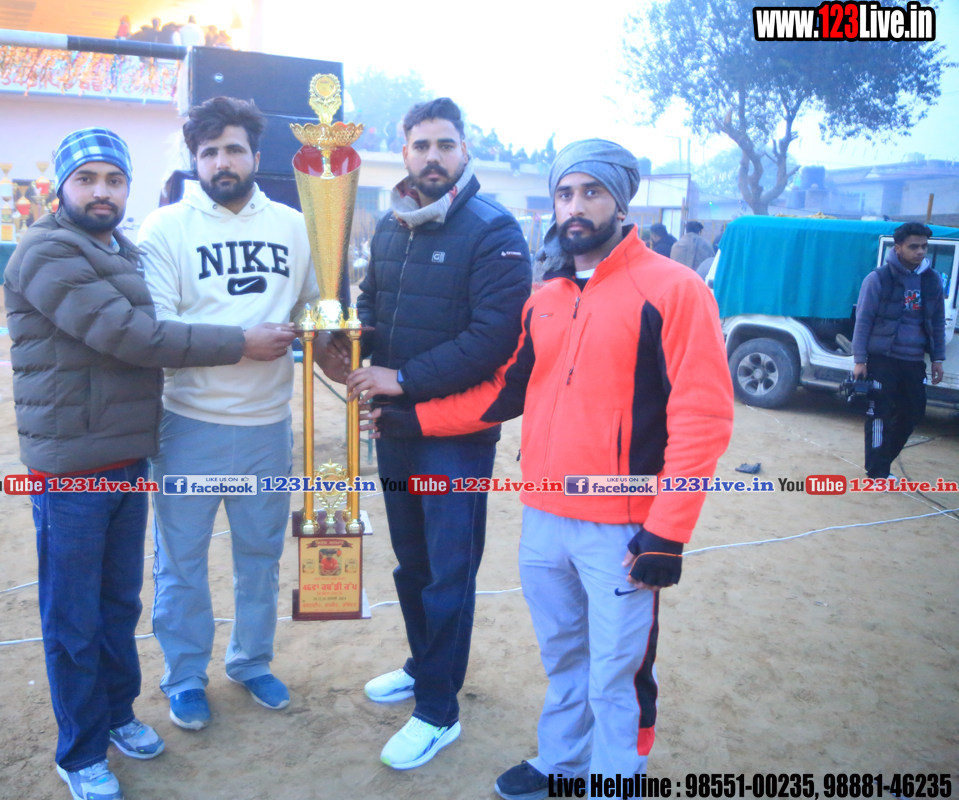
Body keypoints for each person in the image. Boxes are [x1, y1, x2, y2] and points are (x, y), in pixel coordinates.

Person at [364, 139, 734, 798]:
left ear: (622, 202)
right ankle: (561, 761)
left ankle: (616, 778)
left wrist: (668, 532)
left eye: (592, 192)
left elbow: (702, 418)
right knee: (563, 654)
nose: (575, 207)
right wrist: (412, 419)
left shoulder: (674, 290)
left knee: (617, 670)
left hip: (622, 527)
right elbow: (501, 393)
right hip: (543, 518)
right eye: (565, 193)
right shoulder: (547, 297)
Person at [4, 127, 292, 800]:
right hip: (72, 467)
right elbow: (130, 334)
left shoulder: (121, 250)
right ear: (61, 188)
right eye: (86, 180)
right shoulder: (47, 250)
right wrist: (239, 341)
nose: (101, 192)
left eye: (113, 180)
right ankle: (80, 752)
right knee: (73, 616)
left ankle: (116, 716)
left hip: (126, 455)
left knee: (116, 605)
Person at [137, 97, 342, 733]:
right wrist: (240, 342)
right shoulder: (164, 228)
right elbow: (157, 331)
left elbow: (314, 307)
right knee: (181, 563)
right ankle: (185, 675)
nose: (221, 162)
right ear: (194, 161)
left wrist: (337, 345)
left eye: (233, 149)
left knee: (260, 557)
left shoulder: (296, 226)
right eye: (209, 152)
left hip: (266, 427)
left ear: (256, 155)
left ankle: (251, 660)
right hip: (188, 425)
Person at [341, 97, 533, 771]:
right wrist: (348, 343)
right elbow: (371, 301)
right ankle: (426, 667)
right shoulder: (392, 225)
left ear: (464, 151)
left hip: (455, 437)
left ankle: (437, 711)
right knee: (412, 563)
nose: (432, 156)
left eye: (444, 144)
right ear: (405, 152)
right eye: (420, 145)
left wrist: (401, 378)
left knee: (449, 571)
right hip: (395, 428)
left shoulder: (493, 229)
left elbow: (492, 339)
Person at [851, 221, 946, 479]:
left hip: (914, 361)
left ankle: (882, 461)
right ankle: (877, 473)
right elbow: (863, 320)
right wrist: (860, 360)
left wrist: (938, 358)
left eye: (924, 246)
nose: (920, 251)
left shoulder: (932, 280)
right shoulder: (878, 278)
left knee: (913, 414)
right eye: (914, 246)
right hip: (883, 359)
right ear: (898, 247)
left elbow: (937, 320)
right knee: (879, 414)